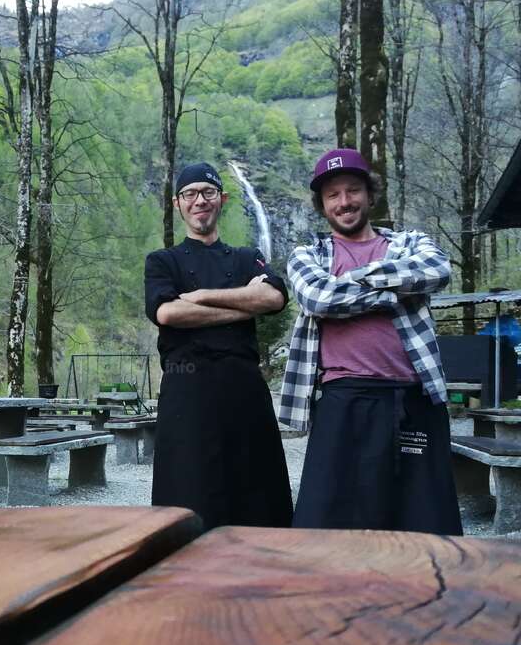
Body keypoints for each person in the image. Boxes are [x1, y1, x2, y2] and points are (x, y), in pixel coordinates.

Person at [278, 148, 462, 535]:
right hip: (343, 399)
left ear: (370, 194)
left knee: (425, 523)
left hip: (414, 398)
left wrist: (356, 279)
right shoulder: (308, 253)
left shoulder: (410, 243)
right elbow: (318, 298)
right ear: (322, 204)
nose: (344, 202)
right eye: (333, 195)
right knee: (327, 523)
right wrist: (394, 291)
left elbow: (435, 270)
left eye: (352, 190)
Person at [144, 162, 293, 530]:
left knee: (258, 498)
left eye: (208, 192)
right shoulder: (162, 261)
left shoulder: (246, 256)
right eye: (190, 194)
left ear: (221, 199)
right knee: (187, 499)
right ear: (178, 203)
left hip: (244, 391)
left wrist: (203, 296)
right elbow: (168, 313)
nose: (200, 201)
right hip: (187, 391)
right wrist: (241, 307)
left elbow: (273, 298)